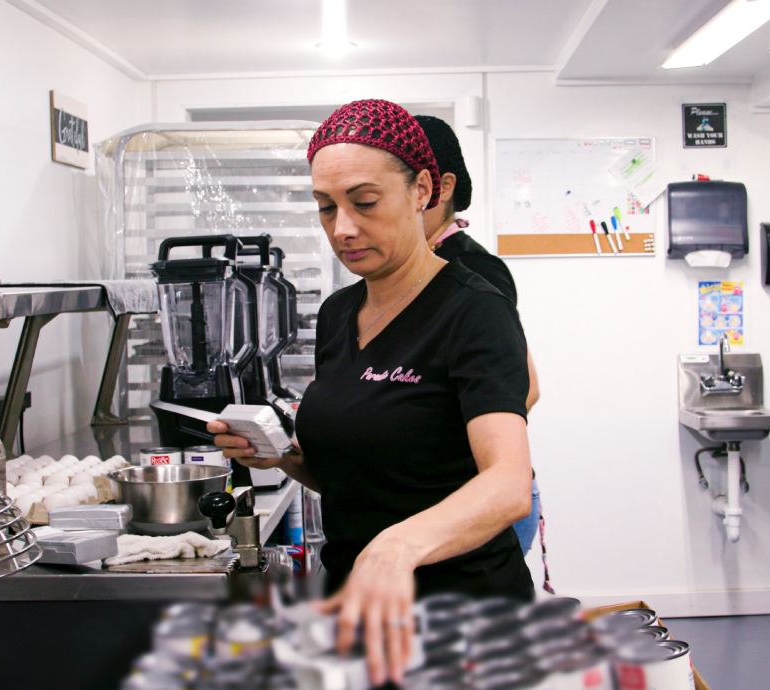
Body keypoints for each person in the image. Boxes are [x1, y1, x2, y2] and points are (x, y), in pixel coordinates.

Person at [207, 99, 533, 687]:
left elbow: (508, 486)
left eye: (364, 202)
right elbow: (359, 475)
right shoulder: (339, 314)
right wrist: (280, 456)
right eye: (326, 206)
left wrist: (398, 546)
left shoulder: (474, 310)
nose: (343, 229)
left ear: (422, 191)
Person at [414, 114, 543, 557]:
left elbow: (526, 388)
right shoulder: (416, 270)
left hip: (476, 501)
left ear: (441, 187)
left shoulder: (472, 269)